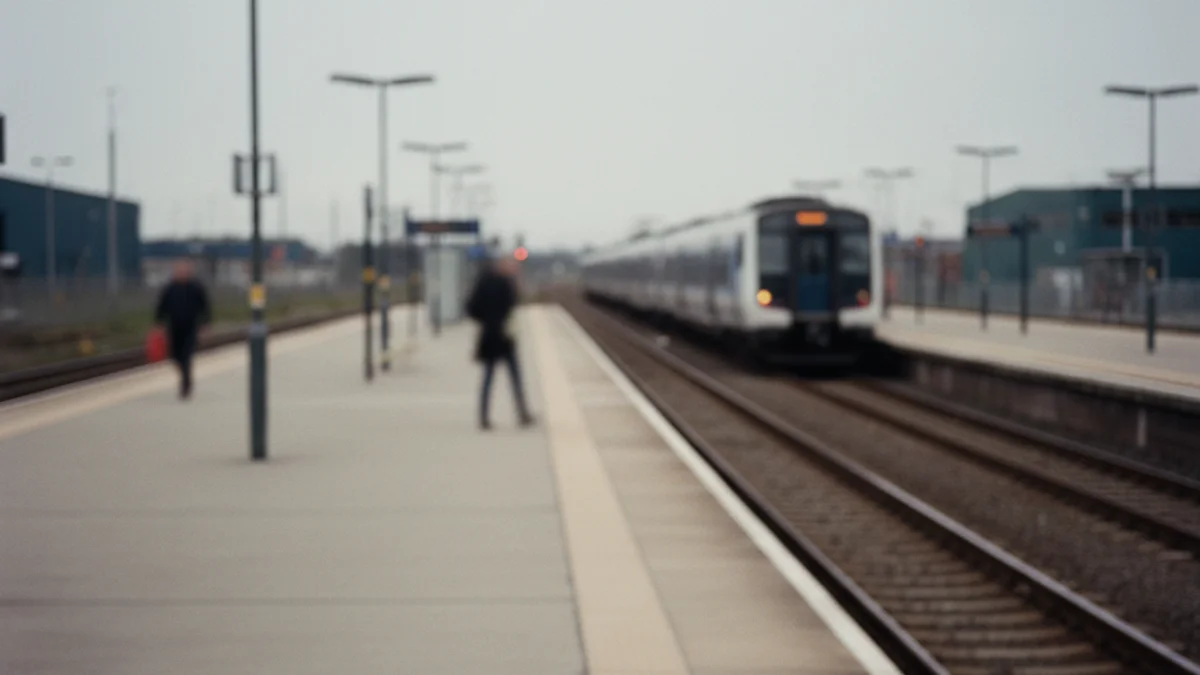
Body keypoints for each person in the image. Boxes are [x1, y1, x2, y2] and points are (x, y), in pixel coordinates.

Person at [466, 256, 535, 430]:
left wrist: (486, 321)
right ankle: (522, 413)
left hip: (489, 336)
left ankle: (483, 417)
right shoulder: (506, 283)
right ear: (504, 266)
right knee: (514, 376)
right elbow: (516, 302)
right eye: (510, 266)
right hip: (505, 337)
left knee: (488, 378)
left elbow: (471, 308)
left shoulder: (483, 282)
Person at [154, 260, 211, 399]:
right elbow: (162, 306)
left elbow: (205, 306)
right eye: (179, 270)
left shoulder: (196, 287)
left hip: (191, 327)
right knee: (175, 356)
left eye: (184, 270)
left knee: (186, 355)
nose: (182, 273)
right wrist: (159, 323)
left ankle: (185, 383)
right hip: (174, 327)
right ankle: (185, 378)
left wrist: (205, 324)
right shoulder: (170, 288)